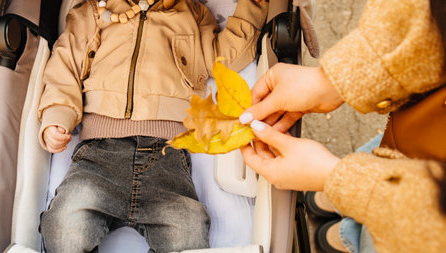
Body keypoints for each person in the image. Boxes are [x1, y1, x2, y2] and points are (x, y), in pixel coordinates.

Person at [37, 0, 267, 252]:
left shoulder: (190, 14)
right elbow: (64, 65)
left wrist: (253, 4)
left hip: (166, 159)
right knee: (65, 225)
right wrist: (57, 115)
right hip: (99, 156)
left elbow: (226, 55)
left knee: (187, 230)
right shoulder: (93, 11)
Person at [239, 0, 446, 252]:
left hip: (422, 231)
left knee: (375, 234)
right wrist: (334, 81)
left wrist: (339, 179)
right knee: (392, 152)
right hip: (424, 130)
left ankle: (350, 233)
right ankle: (346, 208)